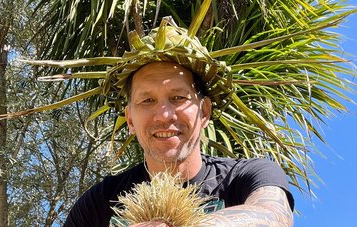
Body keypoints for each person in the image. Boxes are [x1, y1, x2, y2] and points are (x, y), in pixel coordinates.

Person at [64, 61, 294, 226]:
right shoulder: (100, 201)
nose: (164, 115)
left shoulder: (246, 176)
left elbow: (273, 215)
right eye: (147, 100)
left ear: (204, 112)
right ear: (131, 120)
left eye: (178, 98)